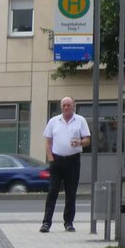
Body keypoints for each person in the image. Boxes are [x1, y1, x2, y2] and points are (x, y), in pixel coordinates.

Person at [41, 97, 90, 233]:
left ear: (73, 106)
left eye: (69, 105)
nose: (66, 107)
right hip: (57, 160)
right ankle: (46, 222)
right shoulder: (53, 121)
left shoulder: (80, 120)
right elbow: (48, 141)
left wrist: (80, 142)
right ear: (61, 107)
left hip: (73, 160)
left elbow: (87, 140)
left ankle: (68, 222)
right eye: (64, 105)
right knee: (52, 191)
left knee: (71, 192)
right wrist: (50, 158)